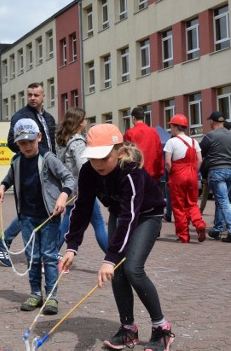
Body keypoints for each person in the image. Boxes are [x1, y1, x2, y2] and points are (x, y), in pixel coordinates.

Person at [61, 124, 174, 351]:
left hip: (146, 215)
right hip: (120, 213)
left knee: (132, 268)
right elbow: (82, 207)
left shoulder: (131, 173)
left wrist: (110, 258)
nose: (98, 164)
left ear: (119, 151)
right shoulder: (88, 171)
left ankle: (162, 329)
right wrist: (72, 246)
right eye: (93, 158)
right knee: (118, 271)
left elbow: (130, 216)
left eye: (104, 157)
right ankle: (128, 330)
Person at [0, 118, 74, 315]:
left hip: (49, 216)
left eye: (30, 141)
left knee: (48, 256)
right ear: (17, 144)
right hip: (27, 217)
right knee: (32, 257)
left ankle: (52, 297)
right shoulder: (16, 161)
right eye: (22, 143)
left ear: (39, 137)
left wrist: (63, 196)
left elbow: (68, 178)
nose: (27, 146)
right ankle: (35, 294)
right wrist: (3, 187)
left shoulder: (48, 158)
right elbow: (10, 177)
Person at [0, 82, 57, 267]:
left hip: (48, 168)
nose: (33, 98)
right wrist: (29, 150)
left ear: (43, 96)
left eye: (36, 95)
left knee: (43, 209)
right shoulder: (20, 116)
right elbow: (11, 142)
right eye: (30, 95)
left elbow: (51, 144)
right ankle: (4, 243)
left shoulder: (49, 118)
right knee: (32, 210)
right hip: (31, 169)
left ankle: (49, 250)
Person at [55, 107, 108, 252]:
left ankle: (50, 255)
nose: (86, 121)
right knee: (99, 223)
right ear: (79, 122)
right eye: (85, 119)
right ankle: (116, 260)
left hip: (69, 188)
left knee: (68, 221)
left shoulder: (62, 141)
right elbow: (84, 167)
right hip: (82, 190)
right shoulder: (77, 142)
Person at [198, 111, 231, 243]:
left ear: (213, 122)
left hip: (217, 170)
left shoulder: (210, 136)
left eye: (210, 121)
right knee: (221, 200)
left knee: (223, 201)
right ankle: (217, 229)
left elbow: (200, 151)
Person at [163, 114, 206, 243]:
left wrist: (172, 173)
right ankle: (199, 224)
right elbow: (199, 160)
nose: (171, 129)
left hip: (178, 175)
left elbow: (167, 163)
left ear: (176, 127)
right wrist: (193, 171)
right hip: (192, 175)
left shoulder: (171, 142)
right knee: (192, 203)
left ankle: (183, 236)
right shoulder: (194, 142)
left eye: (171, 126)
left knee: (178, 206)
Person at [124, 107, 164, 183]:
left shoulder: (130, 133)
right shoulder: (154, 132)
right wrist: (160, 172)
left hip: (136, 175)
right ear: (144, 117)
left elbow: (127, 156)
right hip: (152, 175)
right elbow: (159, 153)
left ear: (133, 118)